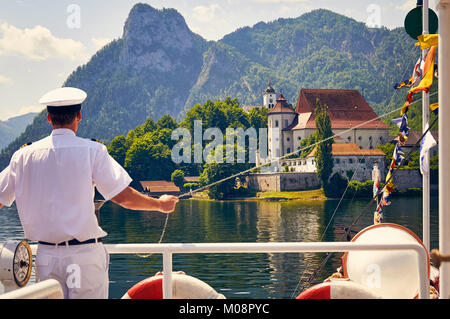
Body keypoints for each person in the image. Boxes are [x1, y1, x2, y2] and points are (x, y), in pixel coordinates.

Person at [0, 87, 179, 299]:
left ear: (48, 118)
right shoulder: (92, 151)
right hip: (83, 258)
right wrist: (160, 204)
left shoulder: (22, 156)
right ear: (79, 116)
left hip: (46, 257)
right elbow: (123, 197)